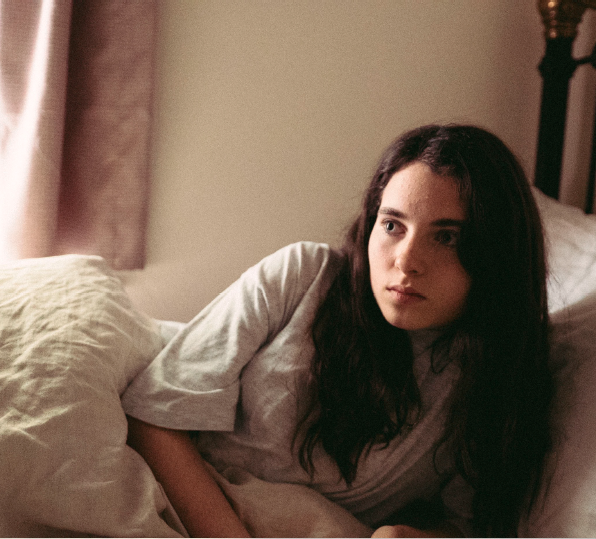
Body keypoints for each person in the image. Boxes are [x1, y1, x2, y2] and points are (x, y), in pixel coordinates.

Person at [121, 124, 552, 537]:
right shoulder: (304, 277)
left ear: (498, 254)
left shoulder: (491, 381)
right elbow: (155, 414)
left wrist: (401, 536)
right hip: (181, 503)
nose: (405, 260)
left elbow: (471, 524)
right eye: (392, 225)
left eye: (447, 238)